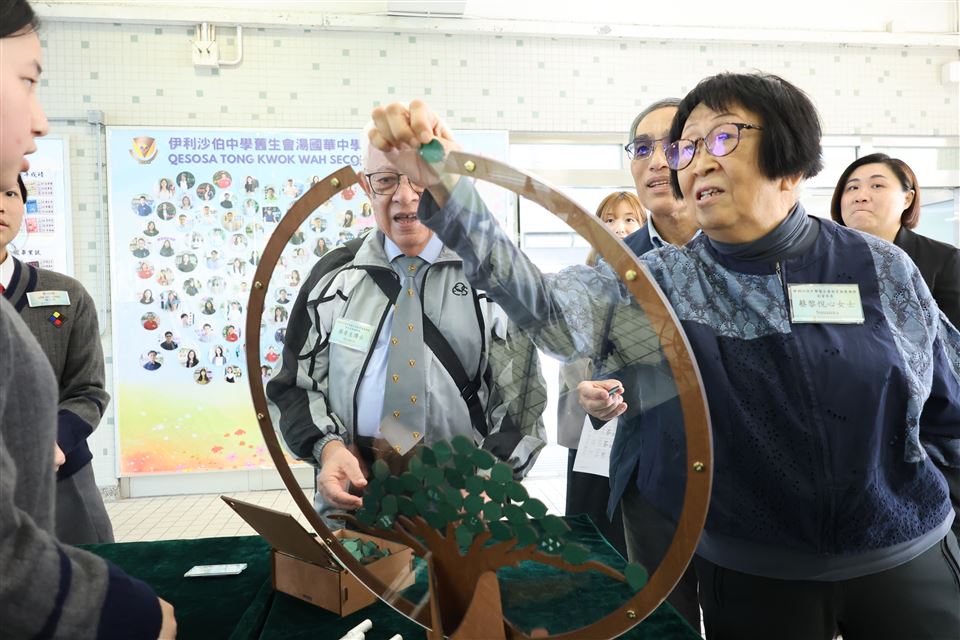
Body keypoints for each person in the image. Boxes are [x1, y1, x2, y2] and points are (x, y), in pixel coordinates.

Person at [372, 76, 960, 638]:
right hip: (756, 573)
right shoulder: (661, 283)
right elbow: (551, 314)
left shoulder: (879, 266)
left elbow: (948, 402)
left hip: (906, 556)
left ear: (791, 160)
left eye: (722, 138)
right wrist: (451, 192)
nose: (696, 162)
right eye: (688, 147)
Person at [266, 126, 548, 530]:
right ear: (366, 186)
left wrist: (491, 478)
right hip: (355, 492)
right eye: (386, 180)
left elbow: (522, 399)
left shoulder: (490, 277)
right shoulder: (334, 275)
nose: (405, 195)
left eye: (419, 178)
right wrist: (327, 450)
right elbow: (293, 384)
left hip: (463, 495)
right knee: (355, 573)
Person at [831, 153, 960, 328]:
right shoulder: (821, 258)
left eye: (877, 185)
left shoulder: (945, 259)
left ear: (907, 199)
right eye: (852, 188)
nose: (861, 196)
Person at [584, 191, 645, 268]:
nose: (619, 229)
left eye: (629, 220)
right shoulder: (590, 270)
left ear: (643, 226)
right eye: (610, 220)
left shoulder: (654, 263)